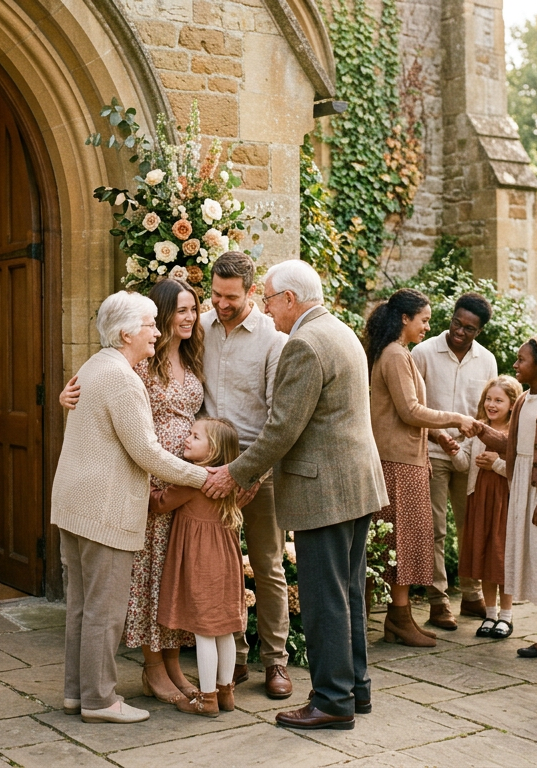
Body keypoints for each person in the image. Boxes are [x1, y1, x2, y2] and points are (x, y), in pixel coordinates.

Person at [63, 254, 294, 699]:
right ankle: (154, 668)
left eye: (195, 309)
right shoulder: (140, 359)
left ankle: (177, 664)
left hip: (206, 470)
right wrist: (67, 396)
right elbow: (99, 385)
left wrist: (231, 471)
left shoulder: (199, 351)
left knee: (180, 572)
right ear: (160, 316)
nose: (193, 316)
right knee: (152, 574)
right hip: (159, 474)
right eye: (183, 310)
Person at [203, 259, 388, 732]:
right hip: (352, 483)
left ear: (289, 299)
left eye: (267, 297)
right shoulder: (339, 330)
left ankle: (331, 701)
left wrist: (236, 474)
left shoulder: (303, 343)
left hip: (322, 486)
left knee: (327, 598)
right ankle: (355, 690)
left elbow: (283, 427)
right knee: (346, 592)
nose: (266, 307)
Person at [50, 291, 211, 725]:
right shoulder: (123, 378)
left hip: (73, 504)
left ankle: (75, 693)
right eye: (149, 324)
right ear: (126, 333)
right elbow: (147, 452)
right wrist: (205, 477)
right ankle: (100, 701)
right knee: (104, 611)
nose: (157, 331)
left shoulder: (94, 365)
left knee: (83, 608)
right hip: (103, 508)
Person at [201, 252, 293, 698]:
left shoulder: (273, 341)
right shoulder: (200, 328)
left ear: (251, 292)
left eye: (230, 297)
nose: (221, 303)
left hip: (259, 469)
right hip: (208, 471)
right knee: (221, 568)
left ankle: (276, 662)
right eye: (216, 294)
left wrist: (252, 474)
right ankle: (232, 660)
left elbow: (279, 415)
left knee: (267, 565)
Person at [366, 289, 477, 645]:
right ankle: (394, 620)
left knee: (408, 540)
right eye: (424, 320)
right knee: (398, 541)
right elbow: (410, 410)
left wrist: (439, 438)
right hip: (396, 463)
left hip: (407, 460)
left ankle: (400, 619)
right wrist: (456, 419)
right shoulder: (396, 355)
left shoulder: (400, 353)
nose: (428, 326)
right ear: (404, 319)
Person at [476, 336, 537, 659]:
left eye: (522, 360)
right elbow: (513, 445)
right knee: (536, 560)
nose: (516, 365)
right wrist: (480, 431)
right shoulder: (523, 401)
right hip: (521, 487)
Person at [411, 293, 497, 626]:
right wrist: (438, 435)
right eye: (456, 323)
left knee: (471, 527)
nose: (460, 332)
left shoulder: (486, 360)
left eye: (469, 329)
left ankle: (472, 596)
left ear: (480, 331)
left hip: (470, 454)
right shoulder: (423, 353)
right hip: (432, 449)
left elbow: (488, 408)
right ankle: (438, 602)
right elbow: (413, 405)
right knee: (435, 530)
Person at [154, 418, 247, 717]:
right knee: (224, 629)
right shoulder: (227, 480)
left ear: (213, 450)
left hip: (200, 560)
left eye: (195, 436)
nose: (187, 439)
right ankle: (225, 693)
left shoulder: (195, 478)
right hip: (226, 561)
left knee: (204, 631)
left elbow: (160, 503)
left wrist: (143, 492)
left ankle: (206, 699)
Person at [452, 376, 521, 639]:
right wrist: (453, 451)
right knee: (483, 556)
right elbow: (464, 465)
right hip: (479, 500)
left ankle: (506, 616)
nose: (491, 404)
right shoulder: (479, 430)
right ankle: (490, 614)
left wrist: (496, 464)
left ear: (512, 404)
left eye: (499, 400)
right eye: (488, 399)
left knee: (501, 558)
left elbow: (519, 472)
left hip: (504, 503)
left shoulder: (515, 434)